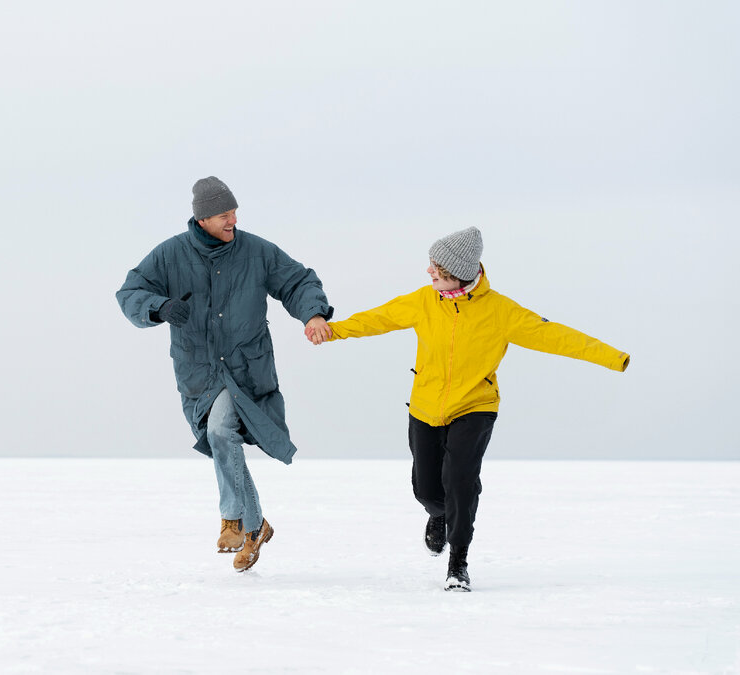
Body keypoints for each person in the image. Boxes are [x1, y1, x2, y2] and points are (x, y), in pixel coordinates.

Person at [309, 226, 629, 591]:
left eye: (437, 270)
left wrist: (612, 358)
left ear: (458, 274)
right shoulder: (423, 301)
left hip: (475, 405)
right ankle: (439, 514)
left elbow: (557, 336)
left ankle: (458, 560)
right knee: (426, 489)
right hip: (426, 406)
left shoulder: (500, 312)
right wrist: (334, 330)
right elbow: (377, 318)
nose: (429, 273)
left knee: (460, 480)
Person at [117, 176, 334, 572]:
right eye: (223, 215)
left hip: (246, 370)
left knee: (220, 433)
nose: (233, 221)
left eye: (235, 212)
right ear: (202, 219)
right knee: (222, 441)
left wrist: (313, 313)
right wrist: (161, 307)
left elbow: (297, 280)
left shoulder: (255, 251)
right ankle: (257, 527)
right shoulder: (169, 255)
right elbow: (130, 292)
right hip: (198, 372)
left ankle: (232, 520)